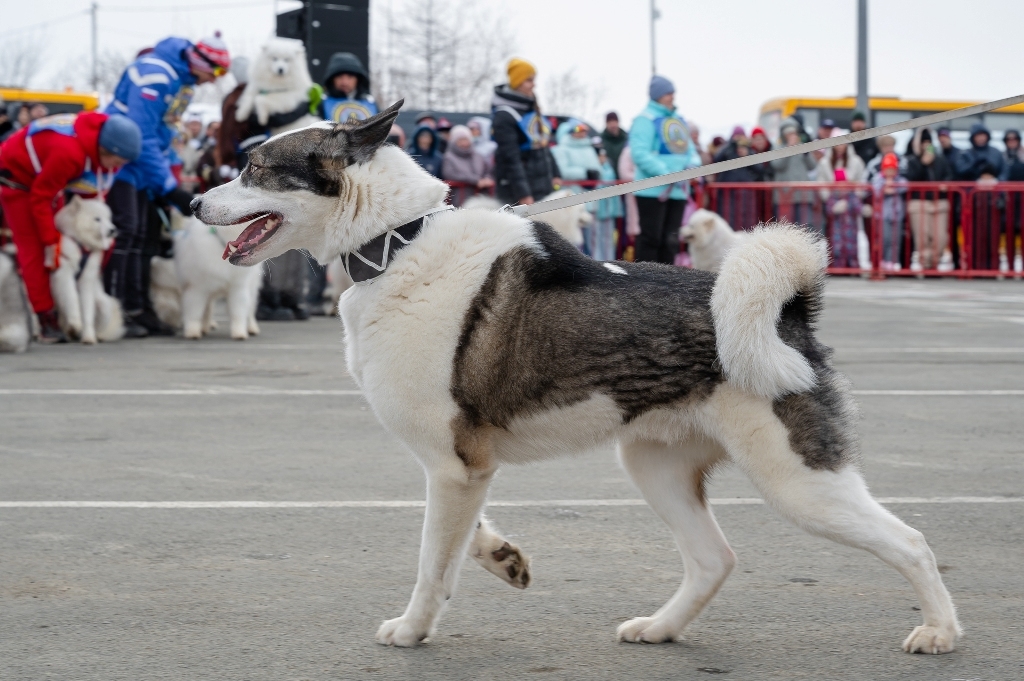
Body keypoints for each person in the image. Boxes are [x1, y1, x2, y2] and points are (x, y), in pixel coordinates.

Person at [104, 34, 230, 337]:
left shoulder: (180, 81)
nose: (212, 82)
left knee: (145, 238)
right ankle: (120, 309)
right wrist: (167, 186)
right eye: (214, 73)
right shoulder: (156, 75)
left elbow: (162, 134)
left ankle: (140, 307)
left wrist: (163, 185)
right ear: (200, 62)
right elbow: (141, 135)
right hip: (119, 163)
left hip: (142, 167)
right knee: (127, 236)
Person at [0, 112, 141, 342]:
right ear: (107, 150)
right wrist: (50, 243)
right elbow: (40, 198)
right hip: (17, 181)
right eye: (117, 162)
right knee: (36, 251)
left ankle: (65, 313)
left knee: (62, 249)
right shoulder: (69, 152)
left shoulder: (101, 151)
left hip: (48, 184)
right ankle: (44, 317)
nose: (119, 168)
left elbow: (94, 196)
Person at [627, 74, 702, 264]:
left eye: (672, 92)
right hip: (652, 192)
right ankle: (644, 285)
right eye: (668, 93)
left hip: (677, 192)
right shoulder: (644, 120)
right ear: (657, 95)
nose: (672, 96)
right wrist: (669, 175)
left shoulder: (679, 120)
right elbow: (640, 153)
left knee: (670, 242)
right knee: (651, 240)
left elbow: (690, 150)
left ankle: (668, 286)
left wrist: (692, 166)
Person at [490, 58, 560, 206]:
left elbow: (544, 147)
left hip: (542, 186)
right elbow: (511, 159)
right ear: (517, 82)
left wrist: (556, 173)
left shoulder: (532, 110)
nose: (533, 84)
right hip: (518, 192)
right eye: (529, 80)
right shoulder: (505, 115)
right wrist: (524, 194)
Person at [903, 128, 953, 271]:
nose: (926, 145)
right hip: (919, 202)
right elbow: (911, 179)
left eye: (928, 142)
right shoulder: (912, 160)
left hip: (939, 202)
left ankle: (935, 263)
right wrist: (923, 163)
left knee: (940, 237)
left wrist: (945, 184)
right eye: (923, 142)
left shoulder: (940, 159)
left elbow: (949, 175)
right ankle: (925, 265)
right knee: (922, 237)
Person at [817, 128, 868, 269]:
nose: (840, 146)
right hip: (834, 202)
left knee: (852, 236)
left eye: (842, 143)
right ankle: (837, 264)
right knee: (835, 235)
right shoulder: (825, 162)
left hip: (851, 202)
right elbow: (821, 182)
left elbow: (862, 180)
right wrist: (829, 199)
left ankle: (852, 264)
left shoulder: (856, 161)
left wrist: (856, 196)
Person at [713, 131, 768, 230]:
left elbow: (760, 169)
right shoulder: (727, 151)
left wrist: (748, 156)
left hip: (746, 192)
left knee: (746, 219)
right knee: (728, 218)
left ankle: (746, 239)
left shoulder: (749, 151)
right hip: (728, 193)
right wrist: (730, 145)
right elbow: (716, 159)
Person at [770, 117, 818, 228]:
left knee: (804, 228)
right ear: (783, 134)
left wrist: (806, 153)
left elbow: (813, 166)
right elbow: (776, 165)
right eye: (788, 133)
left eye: (793, 132)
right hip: (784, 196)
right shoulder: (777, 147)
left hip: (803, 195)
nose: (791, 135)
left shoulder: (803, 146)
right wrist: (788, 149)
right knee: (785, 228)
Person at [872, 152, 908, 270]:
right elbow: (876, 189)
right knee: (885, 239)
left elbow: (905, 186)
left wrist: (894, 187)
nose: (890, 172)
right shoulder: (878, 178)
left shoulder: (899, 179)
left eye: (892, 169)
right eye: (887, 169)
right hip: (882, 215)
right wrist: (884, 188)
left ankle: (894, 261)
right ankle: (883, 261)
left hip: (897, 215)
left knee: (895, 240)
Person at [441, 124, 493, 203]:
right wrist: (476, 181)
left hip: (480, 197)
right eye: (460, 140)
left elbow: (487, 170)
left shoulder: (478, 156)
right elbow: (450, 174)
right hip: (459, 200)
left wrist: (487, 179)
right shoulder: (449, 157)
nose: (464, 143)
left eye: (466, 139)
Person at [319, 52, 377, 123]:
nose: (345, 82)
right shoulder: (320, 104)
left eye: (350, 77)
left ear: (358, 79)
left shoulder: (371, 103)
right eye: (339, 77)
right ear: (332, 79)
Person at [589, 147, 623, 261]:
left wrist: (617, 208)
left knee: (609, 237)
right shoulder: (593, 169)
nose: (602, 158)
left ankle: (610, 260)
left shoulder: (610, 169)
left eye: (604, 156)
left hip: (609, 208)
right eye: (599, 156)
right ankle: (597, 261)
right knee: (596, 237)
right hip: (597, 207)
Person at [551, 120, 601, 184]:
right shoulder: (562, 149)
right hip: (571, 191)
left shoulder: (589, 149)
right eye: (578, 130)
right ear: (570, 132)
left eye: (584, 130)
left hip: (593, 190)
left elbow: (598, 168)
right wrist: (585, 173)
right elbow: (562, 171)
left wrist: (596, 174)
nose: (582, 133)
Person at [600, 112, 628, 177]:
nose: (612, 125)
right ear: (606, 124)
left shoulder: (627, 138)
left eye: (614, 121)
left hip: (626, 178)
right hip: (609, 180)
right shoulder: (600, 140)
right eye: (610, 122)